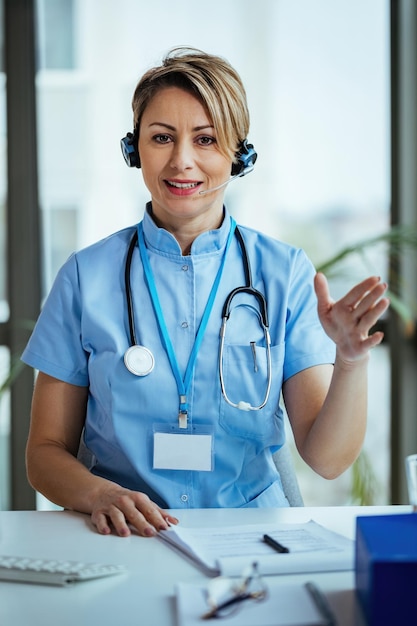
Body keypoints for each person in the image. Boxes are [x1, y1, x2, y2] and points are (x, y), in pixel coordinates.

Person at [22, 47, 389, 538]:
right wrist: (99, 493)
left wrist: (350, 360)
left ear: (238, 154)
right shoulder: (85, 277)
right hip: (124, 537)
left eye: (206, 139)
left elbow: (327, 460)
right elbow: (45, 452)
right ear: (135, 150)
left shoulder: (284, 273)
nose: (182, 161)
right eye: (161, 138)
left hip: (253, 540)